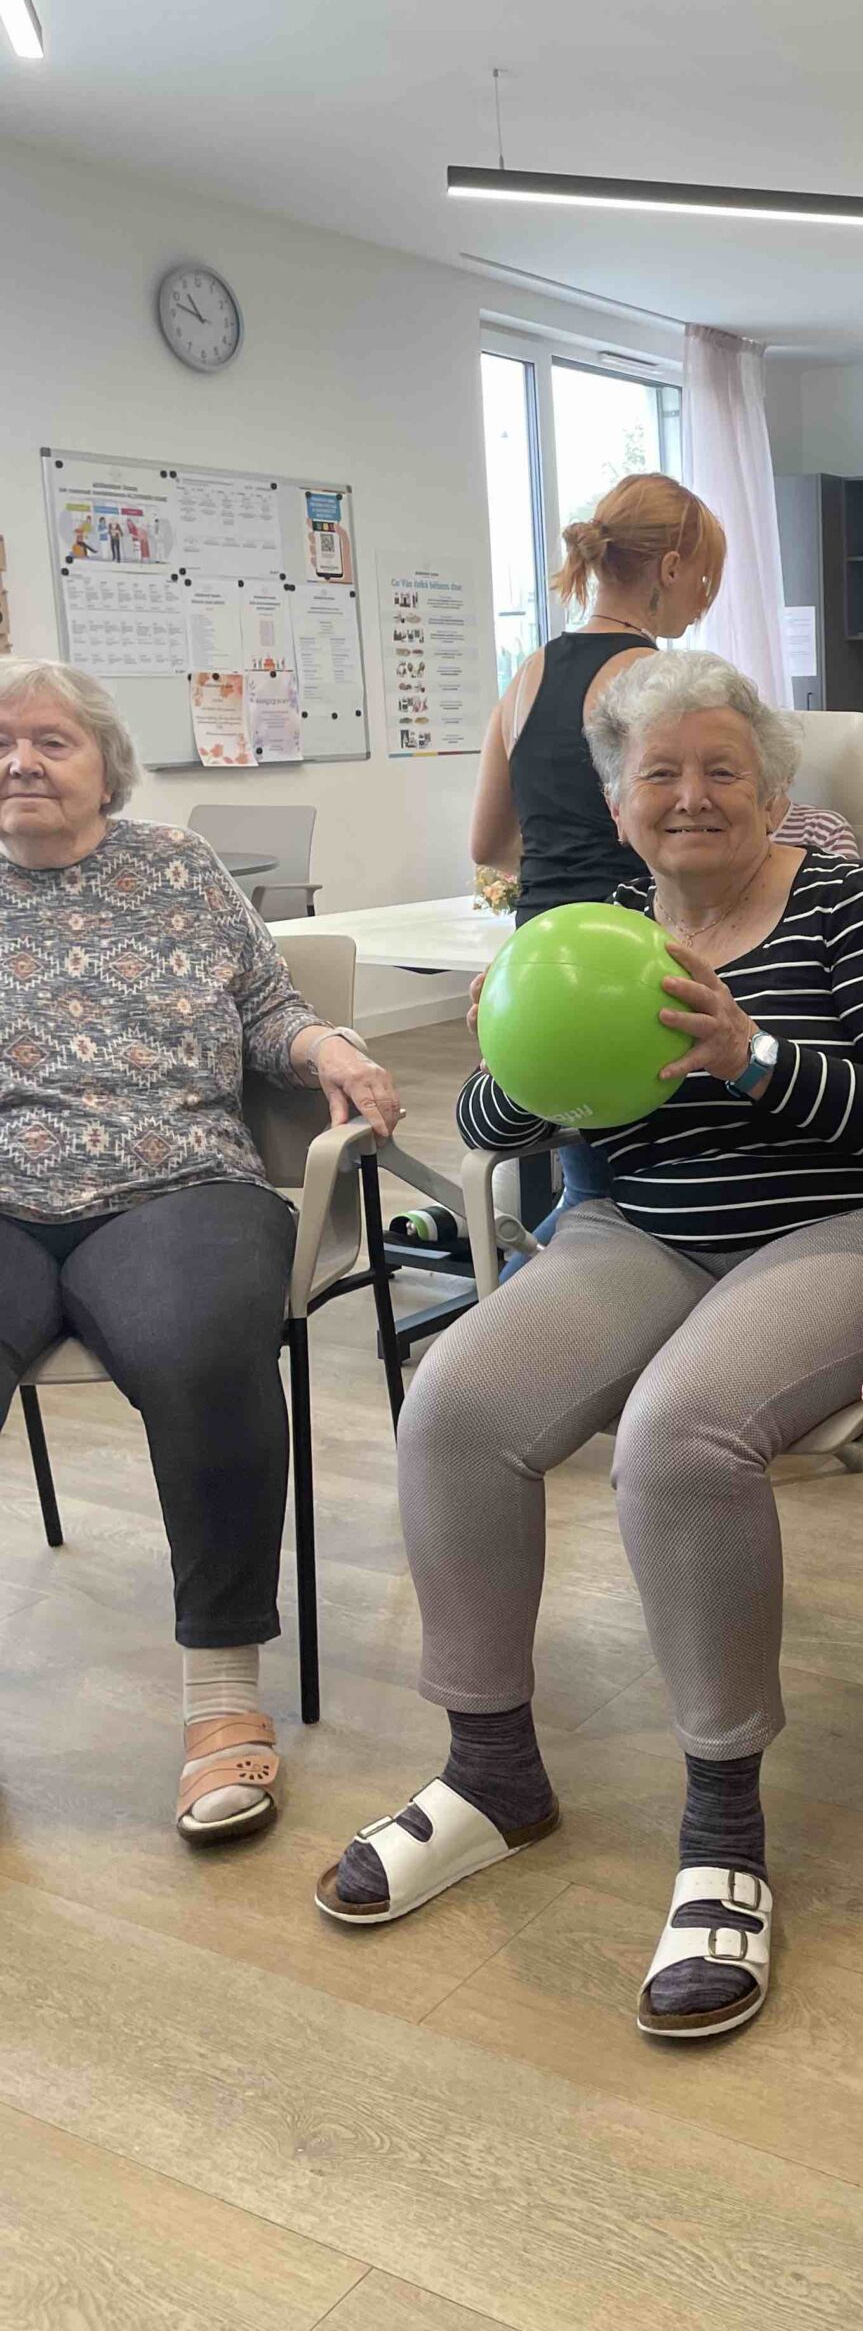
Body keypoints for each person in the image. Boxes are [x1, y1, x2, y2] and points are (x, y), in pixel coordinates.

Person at [316, 651, 863, 2041]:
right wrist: (522, 1067)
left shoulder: (843, 906)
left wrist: (752, 1057)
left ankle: (724, 1826)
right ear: (618, 807)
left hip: (839, 1229)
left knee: (681, 1434)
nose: (690, 796)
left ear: (773, 793)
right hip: (645, 1234)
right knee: (454, 1403)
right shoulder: (587, 933)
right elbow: (487, 1127)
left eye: (722, 769)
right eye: (658, 773)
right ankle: (491, 1770)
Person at [0, 658, 401, 1844]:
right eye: (1, 743)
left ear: (106, 765)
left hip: (178, 1184)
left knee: (203, 1349)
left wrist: (326, 1044)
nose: (20, 761)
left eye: (51, 741)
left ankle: (222, 1693)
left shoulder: (178, 867)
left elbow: (268, 1005)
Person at [466, 471, 857, 1246]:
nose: (702, 603)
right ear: (672, 568)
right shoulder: (651, 684)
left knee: (595, 1174)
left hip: (543, 949)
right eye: (705, 581)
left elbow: (491, 846)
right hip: (635, 951)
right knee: (633, 1173)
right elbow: (711, 824)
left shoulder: (530, 672)